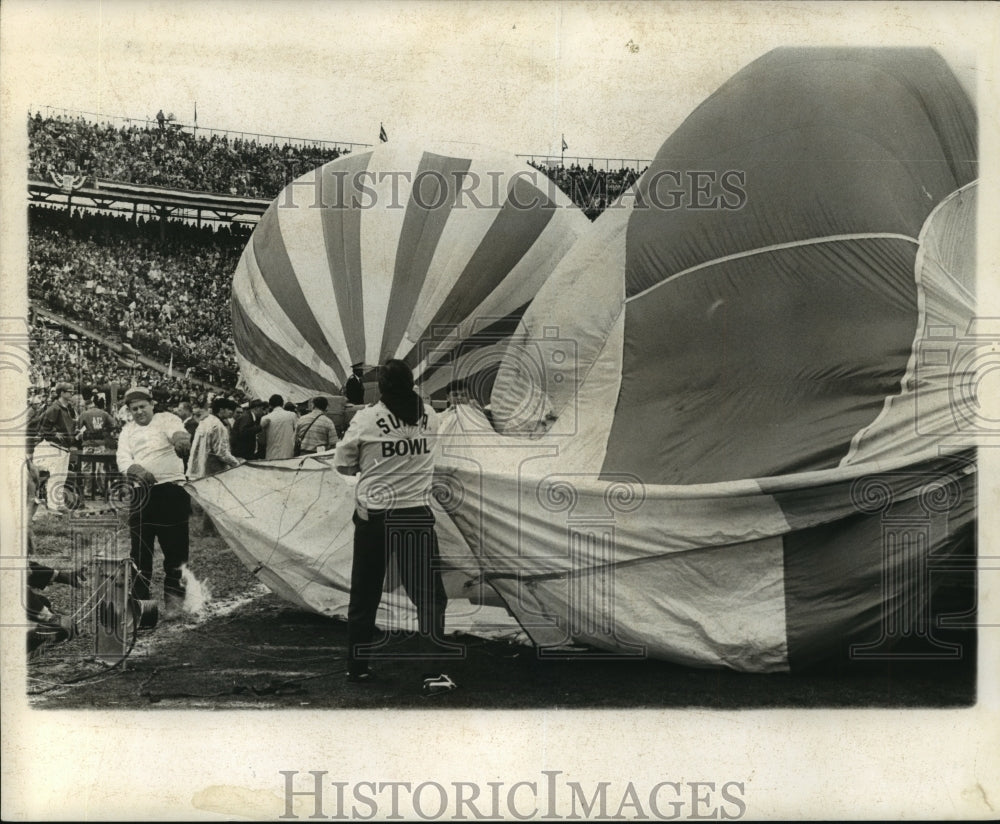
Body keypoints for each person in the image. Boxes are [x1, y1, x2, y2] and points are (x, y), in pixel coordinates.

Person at [334, 359, 452, 689]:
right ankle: (434, 671)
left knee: (365, 595)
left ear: (381, 388)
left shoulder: (366, 418)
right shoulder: (431, 416)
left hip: (375, 516)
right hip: (415, 514)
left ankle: (357, 667)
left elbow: (343, 467)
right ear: (412, 383)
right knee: (429, 599)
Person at [115, 386, 191, 613]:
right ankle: (143, 608)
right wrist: (136, 469)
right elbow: (122, 457)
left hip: (171, 491)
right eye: (133, 409)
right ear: (129, 411)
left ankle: (175, 605)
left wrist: (180, 439)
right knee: (140, 554)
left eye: (142, 407)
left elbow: (176, 431)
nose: (139, 412)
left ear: (152, 404)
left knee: (176, 551)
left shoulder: (167, 419)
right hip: (142, 495)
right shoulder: (127, 431)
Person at [37, 382, 83, 508]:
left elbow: (67, 427)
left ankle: (59, 504)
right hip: (54, 447)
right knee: (56, 477)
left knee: (62, 478)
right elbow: (42, 425)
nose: (72, 394)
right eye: (69, 391)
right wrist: (53, 433)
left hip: (64, 447)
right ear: (62, 393)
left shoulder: (67, 408)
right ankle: (53, 506)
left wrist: (75, 433)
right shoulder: (55, 408)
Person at [187, 397, 243, 479]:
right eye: (229, 409)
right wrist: (237, 464)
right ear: (221, 410)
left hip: (197, 468)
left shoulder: (205, 421)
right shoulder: (218, 426)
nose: (232, 412)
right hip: (211, 472)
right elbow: (221, 453)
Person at [77, 395, 117, 498]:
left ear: (86, 406)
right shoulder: (104, 414)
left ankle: (88, 491)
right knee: (101, 468)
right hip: (100, 444)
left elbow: (77, 428)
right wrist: (104, 431)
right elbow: (114, 424)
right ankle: (103, 490)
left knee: (86, 468)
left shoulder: (84, 414)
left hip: (88, 444)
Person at [259, 393, 297, 459]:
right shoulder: (292, 415)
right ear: (282, 404)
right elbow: (296, 433)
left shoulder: (265, 418)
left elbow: (262, 441)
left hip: (271, 454)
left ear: (270, 405)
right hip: (288, 453)